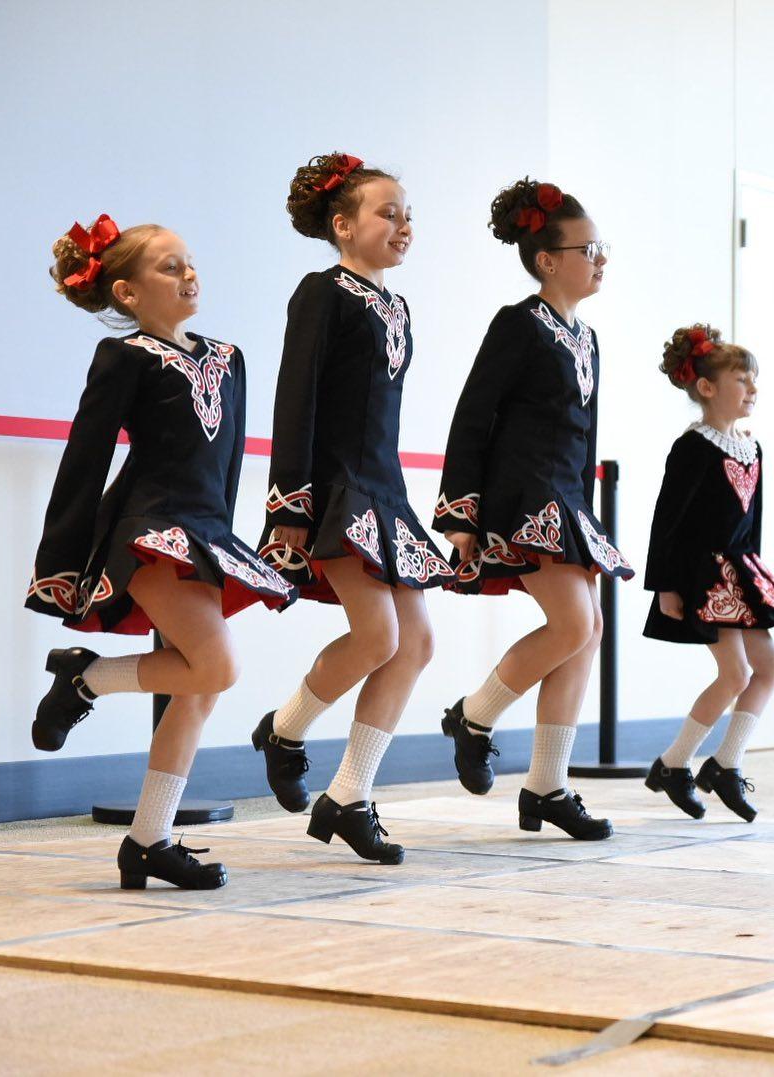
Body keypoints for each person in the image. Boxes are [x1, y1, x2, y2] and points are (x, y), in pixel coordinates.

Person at [27, 214, 295, 888]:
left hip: (204, 534)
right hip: (147, 530)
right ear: (126, 294)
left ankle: (148, 838)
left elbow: (228, 463)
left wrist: (229, 543)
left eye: (189, 261)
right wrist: (61, 562)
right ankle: (87, 677)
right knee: (216, 668)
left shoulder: (228, 358)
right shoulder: (125, 357)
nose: (188, 273)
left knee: (196, 687)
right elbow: (83, 458)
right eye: (168, 266)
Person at [253, 154, 453, 865]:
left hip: (384, 486)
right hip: (336, 487)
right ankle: (283, 729)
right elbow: (295, 397)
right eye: (386, 212)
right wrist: (290, 501)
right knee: (377, 638)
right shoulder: (322, 292)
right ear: (342, 225)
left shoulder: (395, 304)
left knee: (417, 643)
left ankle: (347, 794)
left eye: (408, 214)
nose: (402, 225)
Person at [434, 178, 633, 840]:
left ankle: (546, 785)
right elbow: (472, 417)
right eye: (589, 248)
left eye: (601, 248)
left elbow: (586, 435)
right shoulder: (517, 324)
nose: (600, 259)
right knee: (573, 624)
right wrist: (461, 514)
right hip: (522, 498)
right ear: (547, 259)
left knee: (589, 628)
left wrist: (588, 521)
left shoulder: (587, 337)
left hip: (568, 501)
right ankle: (474, 714)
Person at [642, 324, 774, 822]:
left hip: (742, 572)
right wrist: (665, 585)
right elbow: (666, 518)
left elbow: (751, 521)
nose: (753, 389)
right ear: (708, 388)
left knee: (772, 667)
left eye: (754, 381)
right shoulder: (693, 447)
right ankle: (675, 765)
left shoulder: (751, 447)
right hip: (701, 574)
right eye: (743, 380)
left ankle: (719, 764)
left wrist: (757, 576)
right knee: (734, 673)